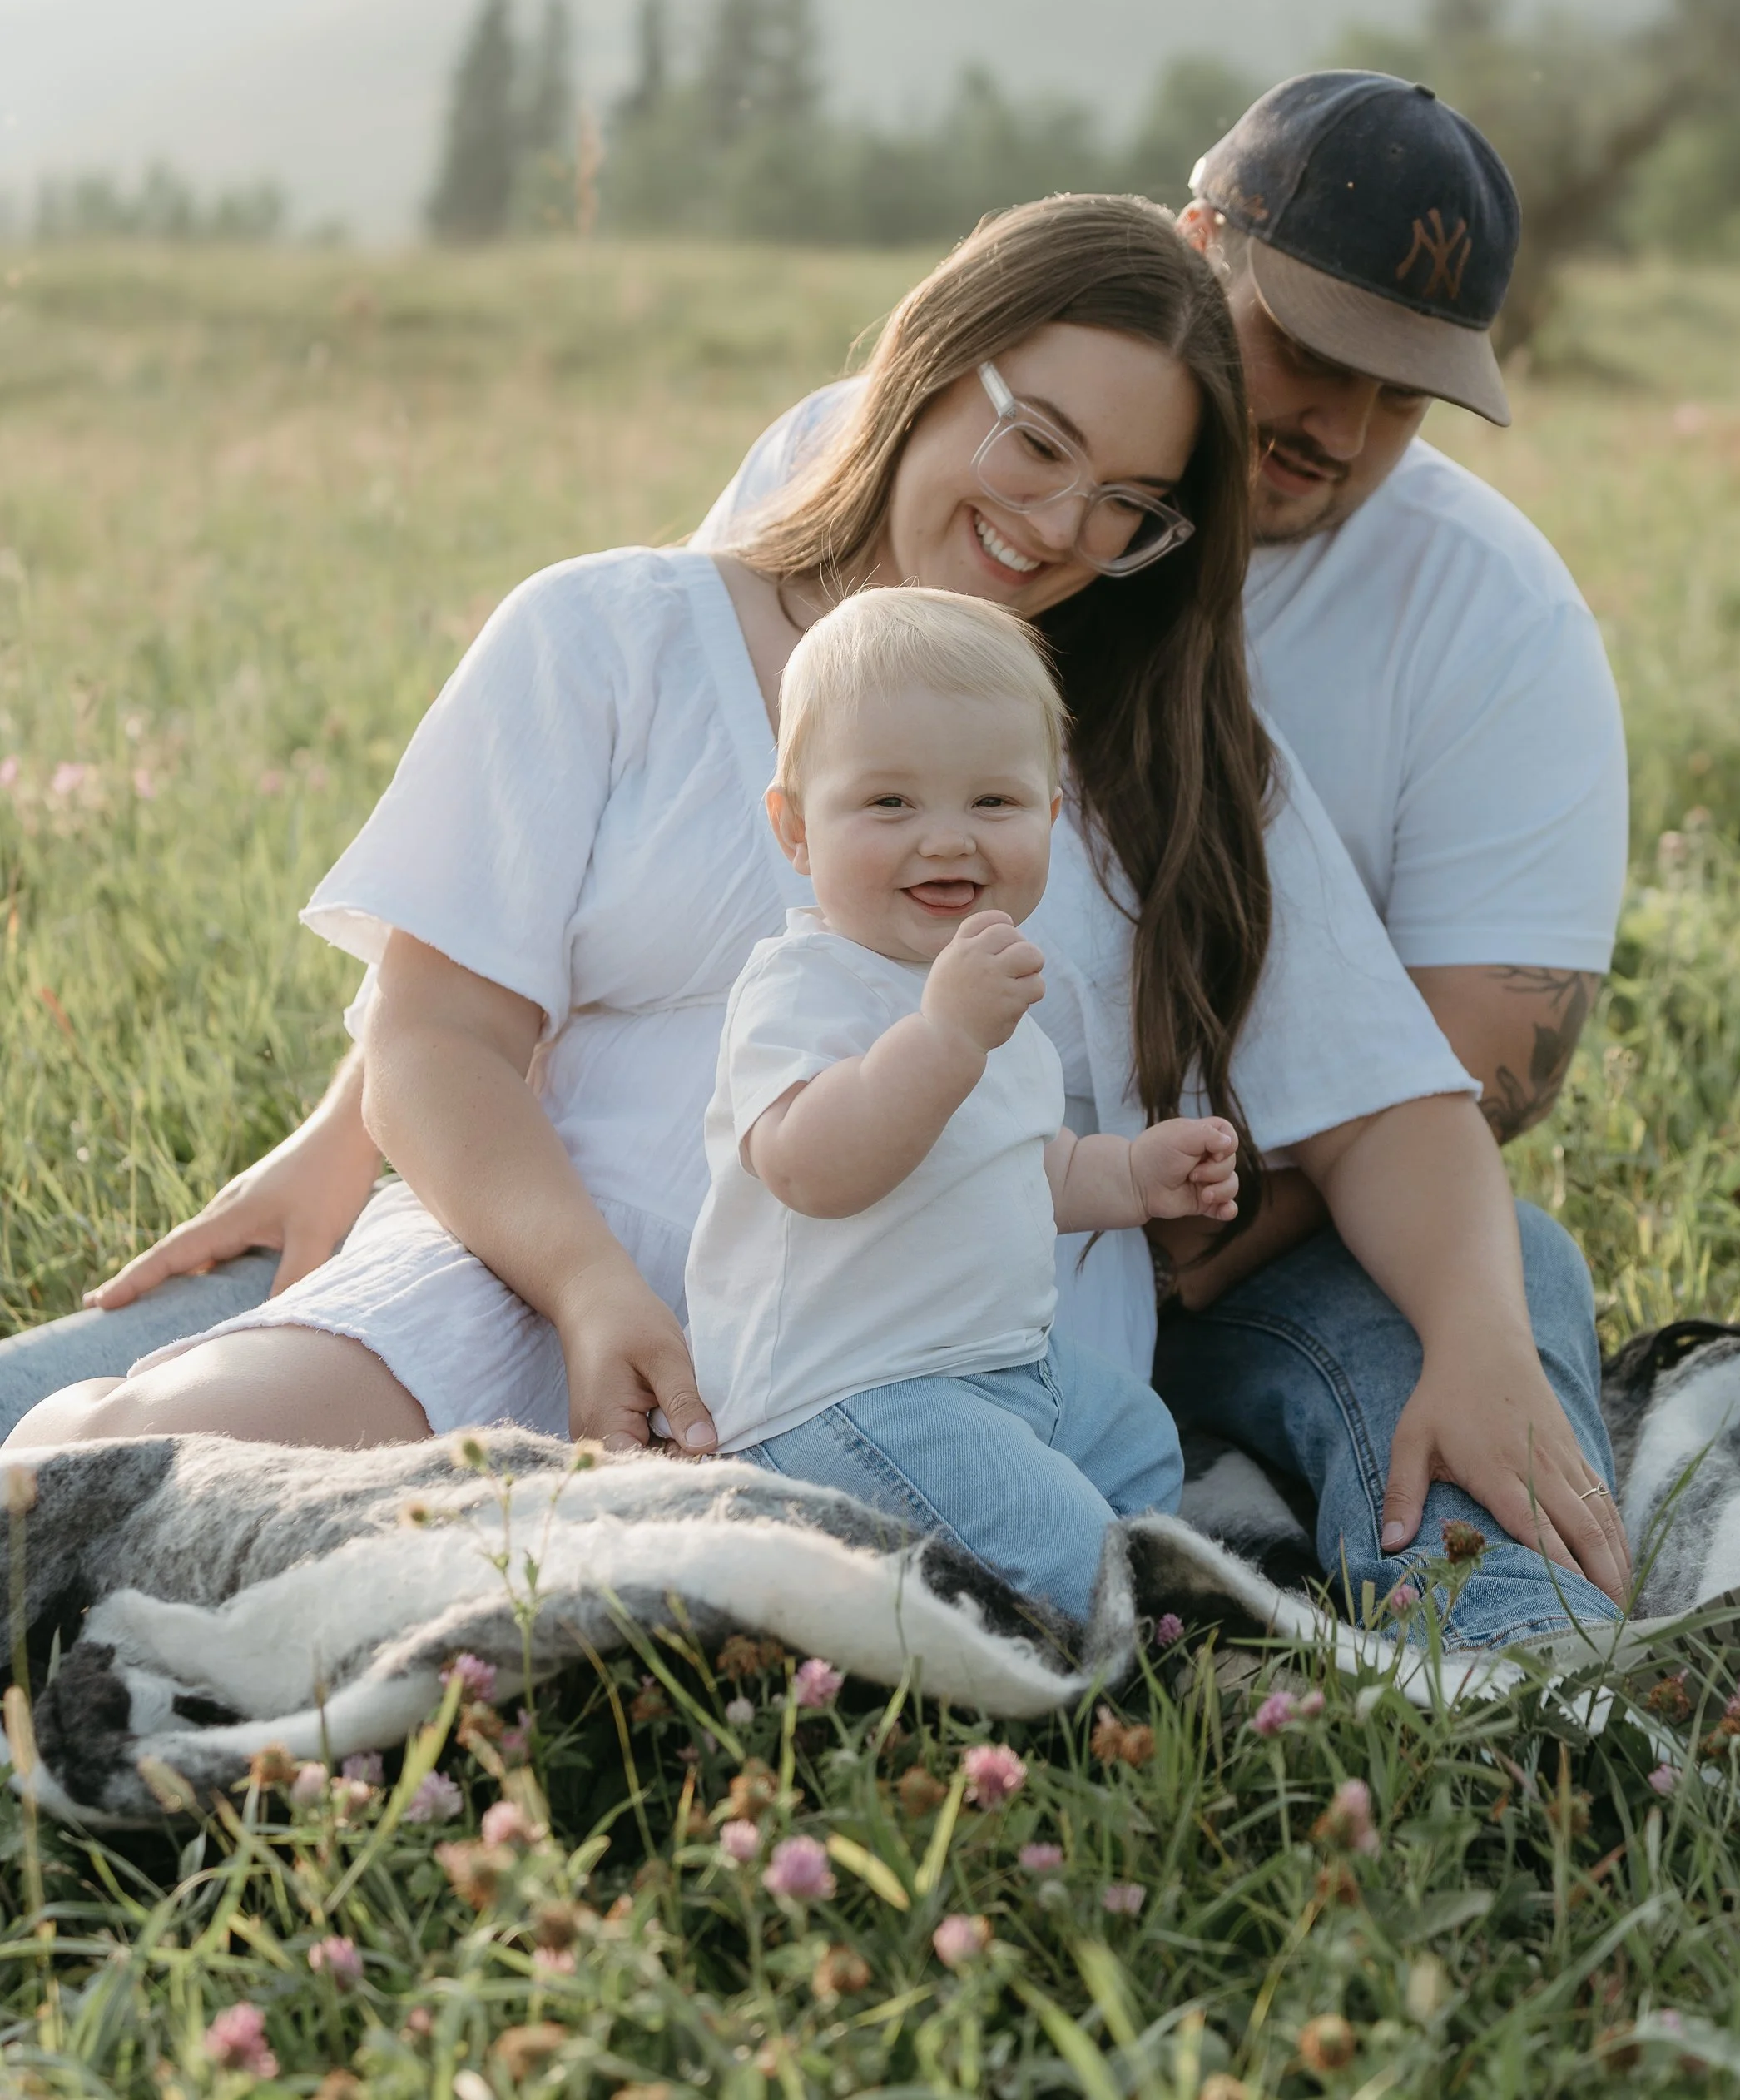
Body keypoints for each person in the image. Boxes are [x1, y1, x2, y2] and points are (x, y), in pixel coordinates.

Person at [4, 194, 1633, 1656]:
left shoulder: (1166, 765)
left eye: (1129, 502)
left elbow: (1392, 1104)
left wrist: (1479, 1331)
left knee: (1459, 1339)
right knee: (125, 1471)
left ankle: (1532, 1698)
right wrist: (583, 1290)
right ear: (928, 370)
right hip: (551, 1279)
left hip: (917, 1380)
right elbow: (437, 1037)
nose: (1062, 528)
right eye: (1035, 443)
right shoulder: (613, 636)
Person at [694, 587, 1237, 1621]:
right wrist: (943, 1038)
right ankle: (1101, 1654)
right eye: (890, 804)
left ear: (1048, 817)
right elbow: (813, 1166)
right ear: (797, 829)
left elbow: (1019, 1167)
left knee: (1137, 1439)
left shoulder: (985, 991)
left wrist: (1130, 1174)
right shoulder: (806, 985)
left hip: (1004, 1367)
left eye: (990, 803)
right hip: (851, 1395)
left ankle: (1021, 1596)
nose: (945, 840)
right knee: (1076, 1555)